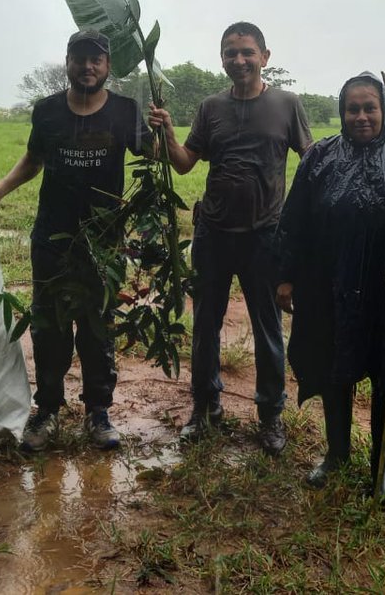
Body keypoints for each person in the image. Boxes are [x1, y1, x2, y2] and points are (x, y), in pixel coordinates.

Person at [0, 29, 152, 452]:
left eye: (97, 59)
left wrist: (162, 129)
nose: (88, 66)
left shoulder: (127, 111)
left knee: (97, 326)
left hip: (104, 242)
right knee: (50, 326)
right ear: (68, 61)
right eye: (80, 58)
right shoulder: (48, 111)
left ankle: (98, 413)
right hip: (52, 237)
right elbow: (34, 160)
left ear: (108, 66)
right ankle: (48, 410)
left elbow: (155, 156)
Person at [148, 22, 311, 455]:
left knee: (268, 328)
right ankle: (204, 408)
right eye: (230, 53)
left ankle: (270, 415)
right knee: (205, 325)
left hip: (265, 236)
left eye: (247, 52)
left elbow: (310, 163)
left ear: (265, 56)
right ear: (221, 58)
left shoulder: (287, 104)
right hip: (213, 234)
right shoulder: (210, 107)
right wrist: (166, 135)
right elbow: (184, 164)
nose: (239, 60)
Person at [273, 72, 385, 502]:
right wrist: (285, 276)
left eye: (369, 108)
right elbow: (294, 220)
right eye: (352, 109)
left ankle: (383, 467)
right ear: (341, 113)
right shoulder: (319, 156)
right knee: (333, 365)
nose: (360, 117)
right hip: (329, 282)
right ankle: (337, 453)